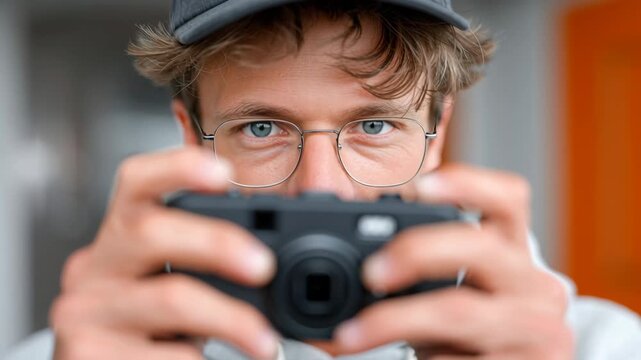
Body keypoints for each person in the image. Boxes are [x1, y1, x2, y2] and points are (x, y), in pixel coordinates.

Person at [5, 1, 641, 359]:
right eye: (261, 129)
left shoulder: (597, 347)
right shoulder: (81, 352)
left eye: (374, 126)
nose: (322, 187)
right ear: (191, 136)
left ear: (437, 133)